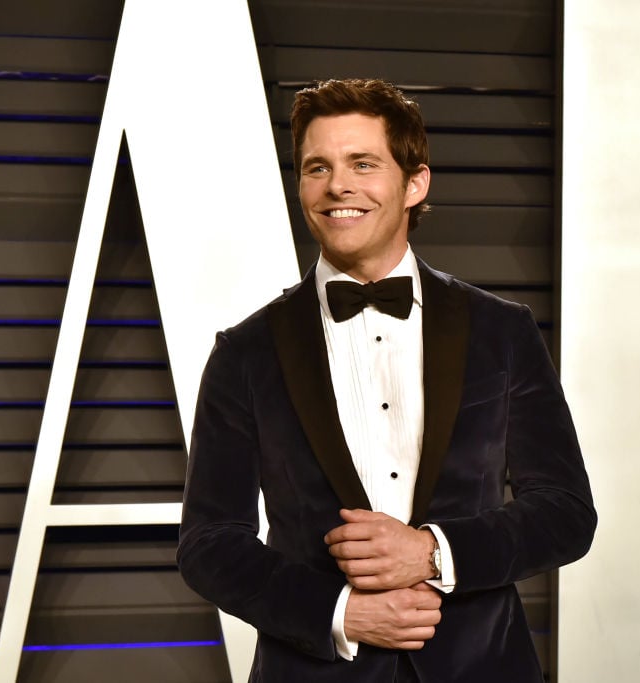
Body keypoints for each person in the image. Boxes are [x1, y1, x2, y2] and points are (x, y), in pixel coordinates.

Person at [177, 78, 595, 682]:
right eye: (317, 167)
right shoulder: (245, 352)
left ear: (414, 184)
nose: (337, 185)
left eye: (363, 164)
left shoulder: (502, 331)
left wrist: (430, 552)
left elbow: (565, 513)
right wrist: (340, 613)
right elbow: (209, 543)